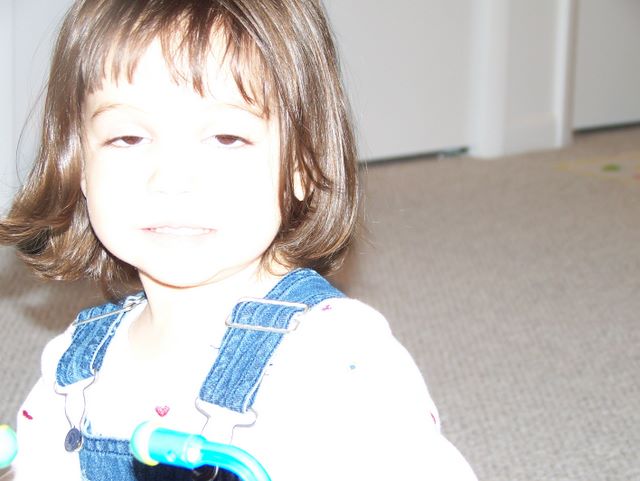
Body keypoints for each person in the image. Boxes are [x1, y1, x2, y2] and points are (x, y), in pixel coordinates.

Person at [0, 0, 477, 479]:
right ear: (79, 167)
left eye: (226, 138)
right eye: (128, 138)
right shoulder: (74, 368)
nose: (171, 179)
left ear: (302, 164)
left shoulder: (334, 359)